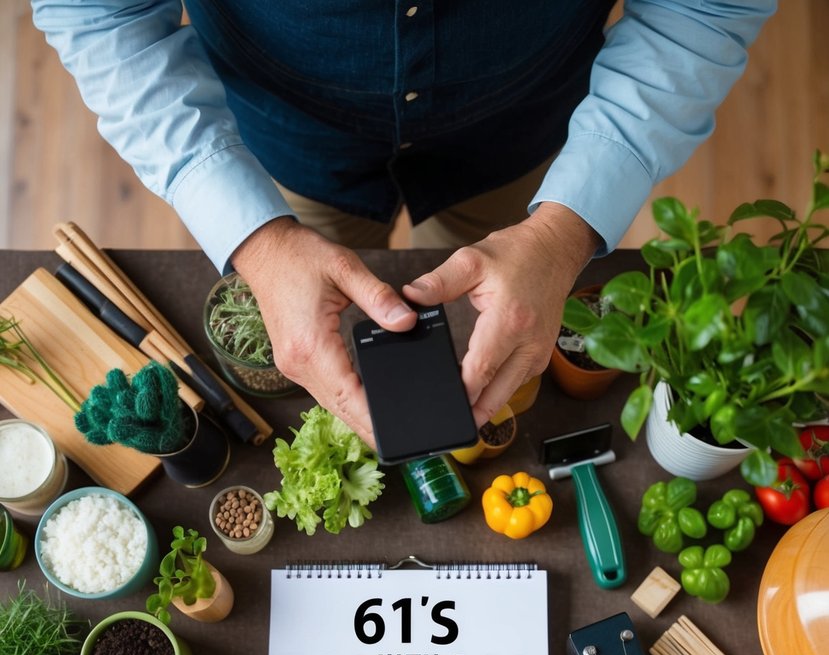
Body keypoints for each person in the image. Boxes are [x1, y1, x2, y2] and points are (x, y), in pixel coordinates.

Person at [31, 0, 775, 446]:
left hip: (521, 129)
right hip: (280, 136)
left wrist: (563, 228)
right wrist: (256, 238)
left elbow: (704, 8)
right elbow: (100, 13)